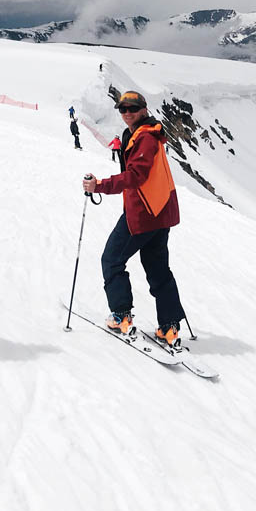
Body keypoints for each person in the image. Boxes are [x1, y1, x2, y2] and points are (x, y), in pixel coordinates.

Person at [82, 90, 185, 347]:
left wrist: (100, 185)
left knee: (112, 259)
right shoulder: (145, 133)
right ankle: (169, 327)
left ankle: (121, 315)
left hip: (143, 214)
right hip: (160, 212)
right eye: (122, 109)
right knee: (158, 270)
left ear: (143, 109)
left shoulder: (146, 138)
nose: (127, 113)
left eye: (132, 108)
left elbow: (135, 176)